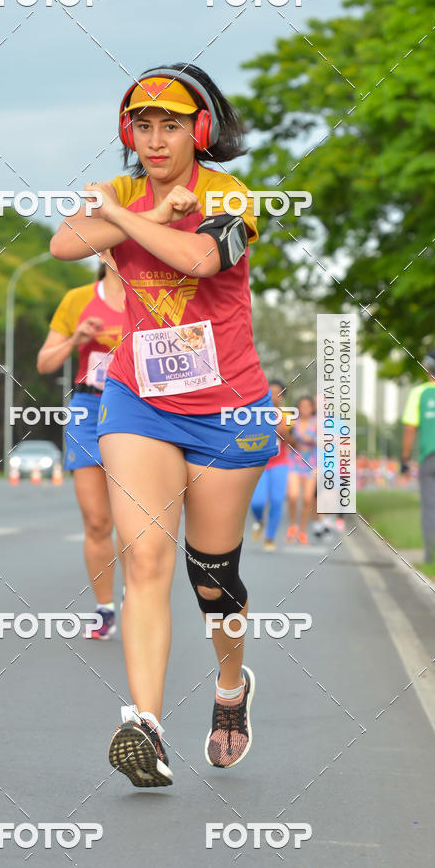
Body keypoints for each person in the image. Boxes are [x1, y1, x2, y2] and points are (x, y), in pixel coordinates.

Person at [49, 64, 279, 786]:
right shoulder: (124, 193)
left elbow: (200, 258)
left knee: (213, 577)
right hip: (137, 401)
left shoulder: (231, 196)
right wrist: (131, 210)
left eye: (170, 125)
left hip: (227, 410)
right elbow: (64, 245)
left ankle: (232, 686)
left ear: (198, 131)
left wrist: (126, 219)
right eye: (142, 126)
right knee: (144, 557)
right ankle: (144, 726)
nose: (154, 140)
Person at [37, 250, 125, 638]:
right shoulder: (78, 299)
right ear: (104, 252)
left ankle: (139, 596)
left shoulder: (156, 296)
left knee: (137, 521)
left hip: (140, 409)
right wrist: (77, 339)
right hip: (90, 408)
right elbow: (45, 363)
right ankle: (105, 608)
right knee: (97, 520)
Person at [401, 349, 435, 562]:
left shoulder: (418, 393)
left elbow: (410, 429)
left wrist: (405, 459)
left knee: (432, 507)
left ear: (426, 367)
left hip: (430, 458)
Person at [250, 380, 291, 552]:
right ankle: (260, 520)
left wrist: (284, 432)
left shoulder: (287, 416)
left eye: (277, 393)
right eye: (270, 392)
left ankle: (270, 537)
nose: (273, 396)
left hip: (280, 463)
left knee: (276, 501)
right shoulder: (256, 413)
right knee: (257, 502)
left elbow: (294, 442)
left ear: (282, 396)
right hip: (260, 463)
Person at [286, 395, 317, 545]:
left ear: (312, 408)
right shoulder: (292, 422)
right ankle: (293, 525)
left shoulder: (317, 423)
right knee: (293, 496)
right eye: (302, 406)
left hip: (311, 465)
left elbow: (328, 442)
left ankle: (303, 532)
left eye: (307, 406)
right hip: (294, 463)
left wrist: (313, 440)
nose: (304, 409)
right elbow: (284, 439)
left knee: (307, 499)